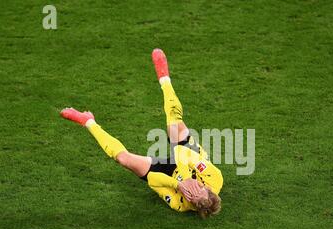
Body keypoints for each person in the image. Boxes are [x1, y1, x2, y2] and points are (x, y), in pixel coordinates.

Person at [60, 49, 223, 218]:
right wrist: (188, 178)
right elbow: (181, 152)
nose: (193, 190)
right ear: (207, 188)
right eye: (198, 188)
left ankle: (87, 121)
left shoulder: (180, 204)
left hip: (168, 174)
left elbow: (152, 179)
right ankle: (164, 79)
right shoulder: (214, 178)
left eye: (192, 197)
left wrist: (178, 185)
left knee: (123, 159)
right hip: (190, 158)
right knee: (174, 124)